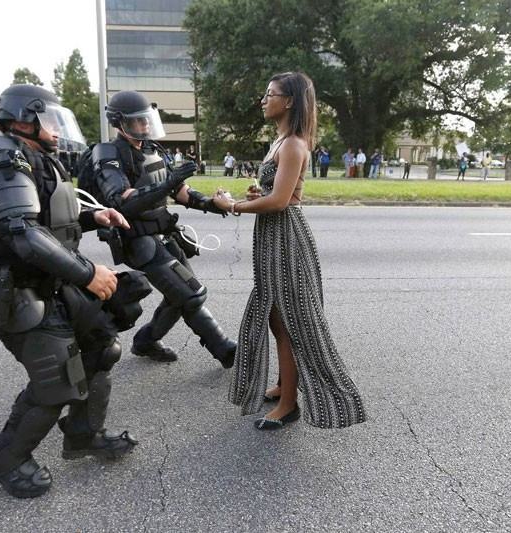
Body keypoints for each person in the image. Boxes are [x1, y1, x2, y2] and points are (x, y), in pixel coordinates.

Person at [0, 84, 139, 499]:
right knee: (57, 380)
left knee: (100, 347)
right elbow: (22, 232)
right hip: (13, 286)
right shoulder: (3, 160)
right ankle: (5, 461)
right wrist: (87, 272)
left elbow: (49, 215)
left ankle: (83, 434)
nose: (57, 130)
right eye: (50, 121)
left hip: (46, 279)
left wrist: (96, 216)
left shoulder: (32, 157)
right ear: (24, 119)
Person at [213, 72, 366, 430]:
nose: (264, 100)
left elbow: (281, 201)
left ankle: (288, 404)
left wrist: (232, 205)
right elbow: (273, 194)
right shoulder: (280, 142)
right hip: (273, 237)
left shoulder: (294, 144)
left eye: (271, 94)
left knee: (290, 323)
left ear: (290, 101)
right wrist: (256, 195)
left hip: (286, 239)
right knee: (274, 316)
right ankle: (285, 385)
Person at [90, 90, 237, 367]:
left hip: (164, 234)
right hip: (138, 239)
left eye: (147, 120)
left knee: (179, 295)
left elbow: (180, 190)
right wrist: (168, 184)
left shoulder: (152, 149)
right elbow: (121, 201)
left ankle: (146, 341)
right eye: (138, 121)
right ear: (119, 122)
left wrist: (211, 204)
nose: (145, 125)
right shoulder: (108, 153)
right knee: (191, 293)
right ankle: (225, 350)